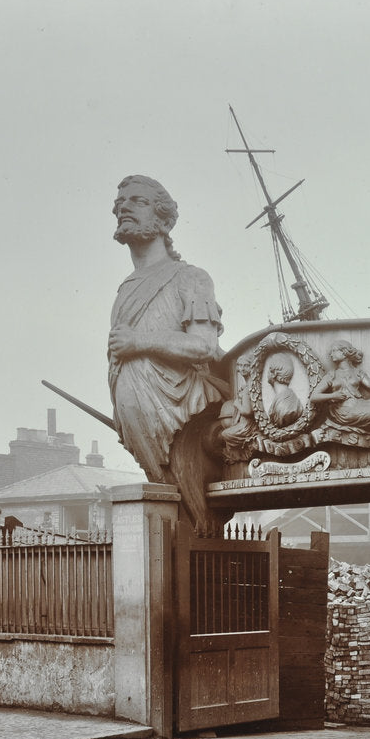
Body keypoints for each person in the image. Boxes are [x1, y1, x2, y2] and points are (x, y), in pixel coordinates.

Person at [108, 174, 228, 530]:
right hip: (142, 427)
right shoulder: (125, 289)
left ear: (162, 218)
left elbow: (204, 345)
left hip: (183, 420)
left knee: (190, 519)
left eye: (137, 201)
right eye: (120, 202)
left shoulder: (190, 277)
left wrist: (138, 343)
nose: (123, 206)